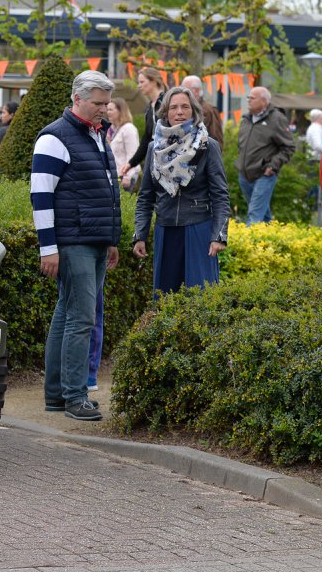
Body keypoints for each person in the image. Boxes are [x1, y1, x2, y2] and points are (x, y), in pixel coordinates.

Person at [30, 69, 120, 422]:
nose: (104, 109)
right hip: (75, 241)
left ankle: (58, 395)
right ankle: (74, 396)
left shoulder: (96, 135)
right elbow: (40, 196)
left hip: (92, 239)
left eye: (107, 103)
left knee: (67, 314)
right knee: (81, 318)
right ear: (77, 99)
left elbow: (108, 191)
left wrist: (110, 240)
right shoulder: (54, 137)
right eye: (98, 103)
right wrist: (48, 248)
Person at [132, 86, 231, 292]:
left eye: (185, 107)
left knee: (199, 296)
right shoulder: (154, 148)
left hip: (199, 229)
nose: (179, 112)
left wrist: (218, 236)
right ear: (165, 112)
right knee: (165, 296)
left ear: (194, 111)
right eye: (173, 107)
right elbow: (145, 197)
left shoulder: (207, 146)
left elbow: (220, 195)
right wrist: (140, 235)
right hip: (165, 230)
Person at [237, 86, 296, 224]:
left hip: (264, 174)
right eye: (248, 97)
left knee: (254, 214)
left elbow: (289, 147)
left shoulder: (276, 119)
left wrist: (273, 166)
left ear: (264, 101)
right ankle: (270, 233)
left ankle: (250, 238)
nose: (248, 100)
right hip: (245, 174)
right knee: (263, 215)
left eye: (252, 98)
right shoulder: (246, 119)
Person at [125, 66, 167, 175]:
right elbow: (147, 138)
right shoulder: (149, 108)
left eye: (142, 82)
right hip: (154, 158)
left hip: (168, 160)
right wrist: (131, 163)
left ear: (153, 81)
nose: (139, 85)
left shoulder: (166, 102)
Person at [181, 74, 224, 146]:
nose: (182, 93)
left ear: (196, 91)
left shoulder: (209, 110)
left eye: (185, 90)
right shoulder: (184, 109)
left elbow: (216, 140)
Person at [106, 98, 139, 188]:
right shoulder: (114, 130)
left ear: (120, 111)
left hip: (125, 176)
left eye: (110, 109)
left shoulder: (128, 129)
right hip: (116, 175)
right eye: (107, 109)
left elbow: (132, 153)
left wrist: (127, 176)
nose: (107, 112)